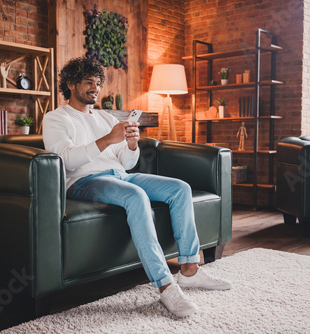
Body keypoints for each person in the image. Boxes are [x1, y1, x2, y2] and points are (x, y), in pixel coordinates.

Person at [42, 57, 232, 317]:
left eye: (98, 83)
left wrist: (131, 145)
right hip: (83, 182)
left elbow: (127, 162)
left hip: (119, 175)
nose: (95, 88)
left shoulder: (104, 117)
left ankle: (189, 269)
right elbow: (65, 159)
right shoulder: (56, 118)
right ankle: (165, 285)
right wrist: (108, 139)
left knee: (180, 188)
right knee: (136, 196)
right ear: (71, 84)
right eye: (88, 82)